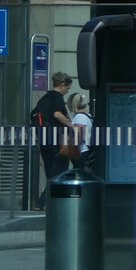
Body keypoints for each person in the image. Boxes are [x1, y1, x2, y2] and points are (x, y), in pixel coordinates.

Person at [32, 72, 76, 209]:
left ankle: (48, 202)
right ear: (62, 85)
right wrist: (71, 125)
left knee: (51, 171)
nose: (67, 90)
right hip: (57, 140)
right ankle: (44, 202)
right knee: (59, 171)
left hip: (44, 140)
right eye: (67, 87)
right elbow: (57, 114)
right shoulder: (57, 98)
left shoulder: (44, 98)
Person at [68, 92, 95, 171]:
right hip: (87, 151)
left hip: (82, 151)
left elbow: (79, 134)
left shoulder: (79, 117)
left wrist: (70, 142)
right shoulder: (88, 116)